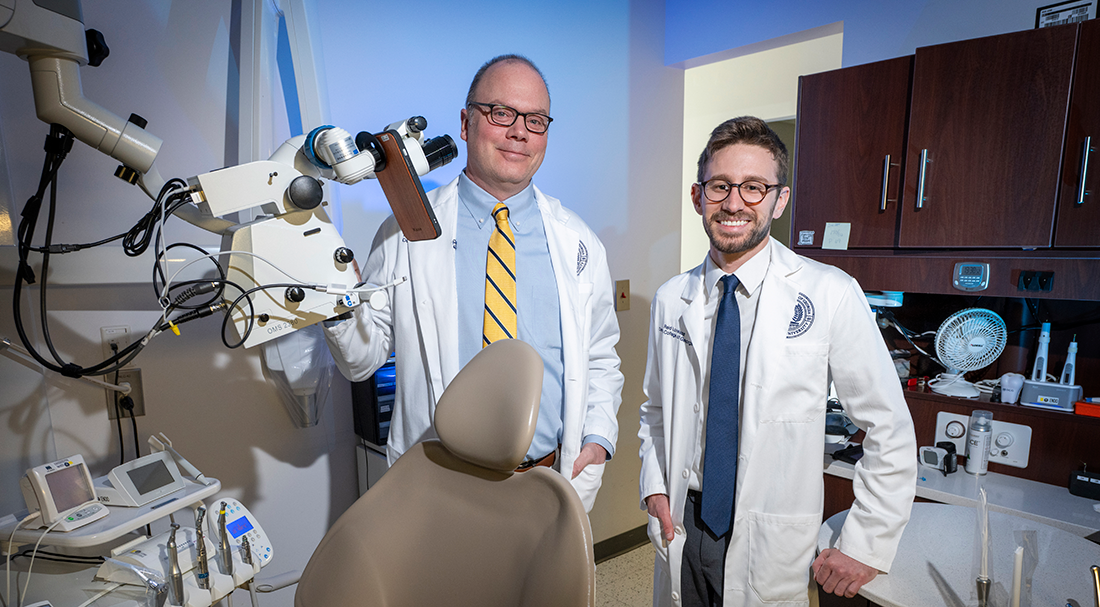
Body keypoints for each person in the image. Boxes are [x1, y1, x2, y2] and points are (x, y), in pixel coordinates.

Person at [323, 54, 623, 512]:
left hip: (547, 482)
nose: (519, 131)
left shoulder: (578, 241)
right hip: (443, 483)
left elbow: (600, 355)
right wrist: (333, 299)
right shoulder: (406, 230)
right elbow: (361, 360)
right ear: (465, 123)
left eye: (536, 120)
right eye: (501, 113)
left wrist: (598, 439)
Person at [637, 116, 917, 606]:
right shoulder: (670, 299)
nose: (734, 202)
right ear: (698, 196)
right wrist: (655, 488)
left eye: (754, 187)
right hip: (684, 521)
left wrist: (866, 543)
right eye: (720, 185)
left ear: (779, 200)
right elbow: (656, 411)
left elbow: (888, 427)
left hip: (773, 537)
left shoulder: (829, 292)